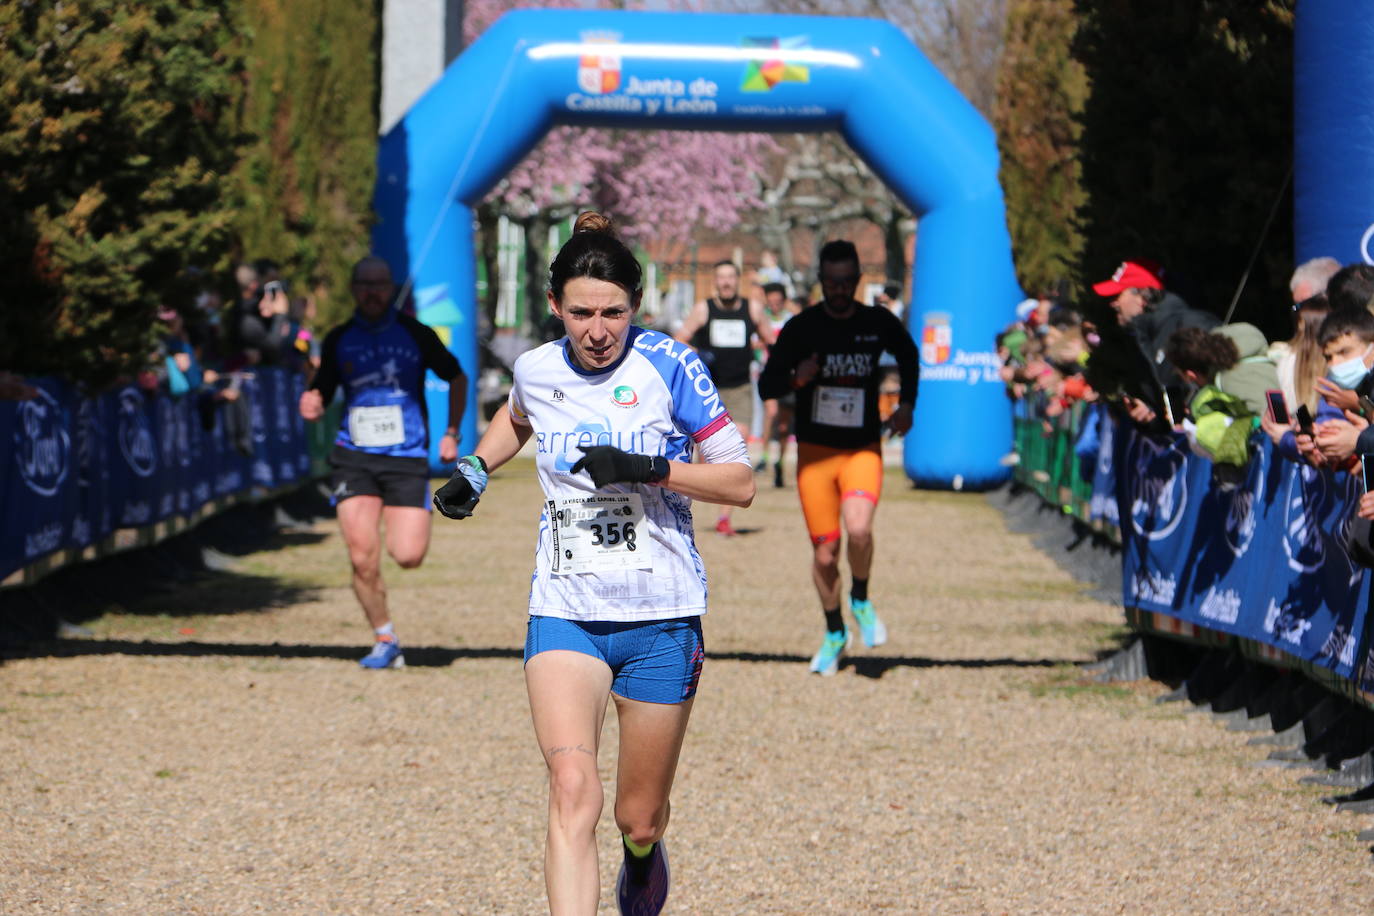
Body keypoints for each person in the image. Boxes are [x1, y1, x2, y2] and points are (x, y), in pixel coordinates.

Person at [432, 211, 753, 916]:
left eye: (613, 313)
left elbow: (740, 482)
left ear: (634, 309)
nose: (598, 330)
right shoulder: (536, 369)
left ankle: (642, 859)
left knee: (637, 817)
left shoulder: (671, 364)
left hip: (661, 616)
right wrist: (476, 471)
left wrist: (650, 466)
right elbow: (517, 417)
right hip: (566, 611)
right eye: (581, 313)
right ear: (556, 308)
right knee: (573, 788)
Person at [757, 239, 920, 676]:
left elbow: (909, 355)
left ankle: (861, 599)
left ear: (858, 281)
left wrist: (907, 404)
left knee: (860, 529)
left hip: (861, 448)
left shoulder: (876, 321)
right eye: (832, 283)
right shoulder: (802, 327)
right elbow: (768, 386)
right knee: (826, 553)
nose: (841, 290)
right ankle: (834, 631)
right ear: (821, 283)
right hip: (814, 454)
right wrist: (797, 378)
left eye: (848, 282)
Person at [298, 256, 466, 669]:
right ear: (354, 289)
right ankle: (384, 636)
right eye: (364, 284)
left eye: (380, 284)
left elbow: (456, 377)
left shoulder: (415, 333)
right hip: (353, 458)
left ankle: (386, 633)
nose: (372, 292)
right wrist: (312, 402)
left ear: (391, 289)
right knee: (361, 556)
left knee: (408, 555)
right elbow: (320, 389)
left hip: (406, 458)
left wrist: (451, 432)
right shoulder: (339, 338)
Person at [674, 259, 774, 536]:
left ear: (738, 280)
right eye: (722, 277)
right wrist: (697, 354)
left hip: (740, 388)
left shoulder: (751, 309)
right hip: (708, 390)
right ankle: (690, 496)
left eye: (731, 277)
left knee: (735, 447)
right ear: (715, 281)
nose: (727, 282)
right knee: (703, 456)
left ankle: (724, 517)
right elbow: (678, 339)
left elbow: (770, 338)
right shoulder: (704, 309)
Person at [1091, 259, 1218, 427]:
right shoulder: (1146, 340)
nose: (1113, 303)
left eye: (1118, 295)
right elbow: (1170, 409)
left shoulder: (1189, 324)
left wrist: (1193, 413)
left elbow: (1222, 378)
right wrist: (1152, 412)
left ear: (1141, 297)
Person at [757, 282, 796, 488]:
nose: (774, 305)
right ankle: (763, 457)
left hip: (788, 377)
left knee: (783, 425)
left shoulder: (792, 319)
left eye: (777, 301)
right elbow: (754, 343)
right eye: (770, 301)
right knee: (771, 413)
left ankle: (779, 462)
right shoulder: (761, 318)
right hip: (768, 373)